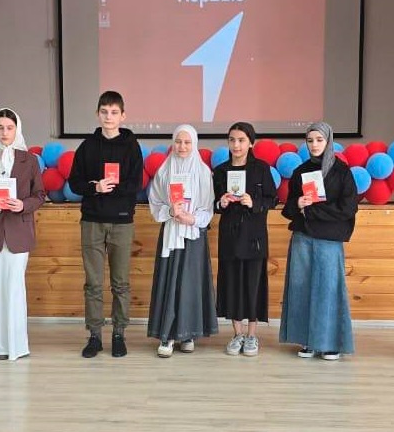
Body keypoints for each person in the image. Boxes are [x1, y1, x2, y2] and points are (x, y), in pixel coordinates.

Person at [67, 91, 144, 358]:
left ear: (123, 116)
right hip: (92, 221)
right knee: (93, 283)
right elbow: (74, 183)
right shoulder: (87, 147)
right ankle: (95, 335)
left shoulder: (132, 146)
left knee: (120, 283)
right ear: (97, 114)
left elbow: (136, 183)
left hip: (122, 222)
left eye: (114, 112)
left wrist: (114, 189)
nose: (108, 117)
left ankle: (119, 333)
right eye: (104, 112)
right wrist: (95, 187)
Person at [279, 122, 357, 361]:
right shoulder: (300, 171)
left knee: (328, 290)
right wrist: (298, 204)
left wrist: (312, 211)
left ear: (328, 141)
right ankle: (308, 341)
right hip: (302, 238)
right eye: (310, 140)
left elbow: (348, 208)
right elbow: (288, 208)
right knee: (301, 288)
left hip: (329, 240)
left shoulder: (341, 172)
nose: (314, 145)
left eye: (319, 140)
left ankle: (330, 344)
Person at [0, 108, 45, 361]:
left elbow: (39, 195)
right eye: (0, 127)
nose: (5, 132)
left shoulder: (30, 160)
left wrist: (23, 205)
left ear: (17, 129)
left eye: (9, 128)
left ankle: (15, 345)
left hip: (18, 231)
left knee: (14, 288)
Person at [146, 124, 218, 358]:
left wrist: (192, 219)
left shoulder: (203, 171)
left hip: (193, 235)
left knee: (190, 284)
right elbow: (155, 201)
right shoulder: (165, 170)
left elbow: (207, 206)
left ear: (194, 144)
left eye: (187, 142)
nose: (182, 146)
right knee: (169, 281)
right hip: (170, 233)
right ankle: (166, 335)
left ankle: (188, 334)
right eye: (178, 141)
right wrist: (170, 211)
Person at [212, 122, 277, 357]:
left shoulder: (261, 168)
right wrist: (221, 203)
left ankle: (251, 335)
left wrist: (255, 203)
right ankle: (237, 334)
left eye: (241, 140)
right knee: (232, 284)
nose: (236, 145)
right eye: (232, 140)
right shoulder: (220, 170)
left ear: (251, 143)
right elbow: (212, 204)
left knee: (253, 285)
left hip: (254, 237)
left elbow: (273, 199)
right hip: (230, 236)